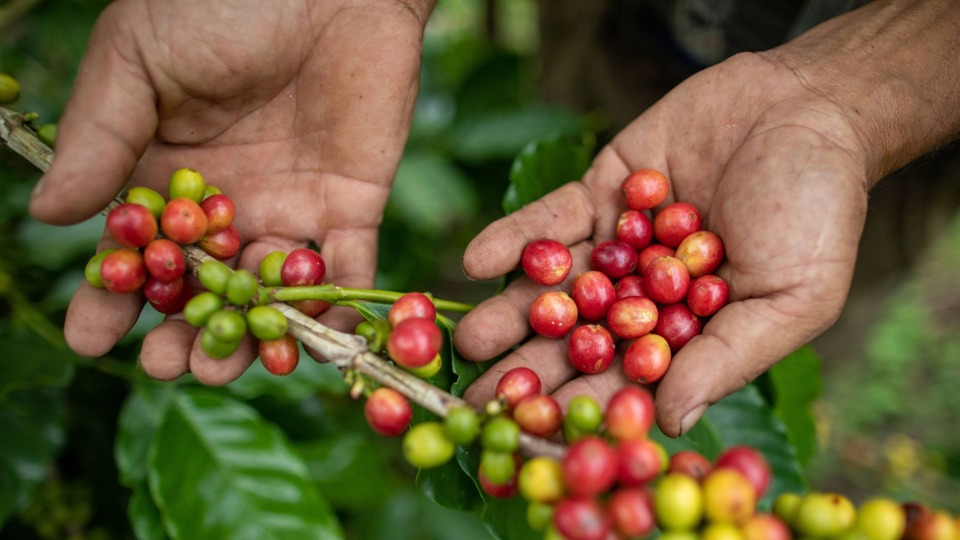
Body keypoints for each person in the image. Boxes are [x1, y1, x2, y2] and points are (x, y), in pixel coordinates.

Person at [28, 0, 960, 437]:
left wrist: (860, 94)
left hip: (902, 126)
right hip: (621, 28)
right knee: (569, 140)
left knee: (772, 324)